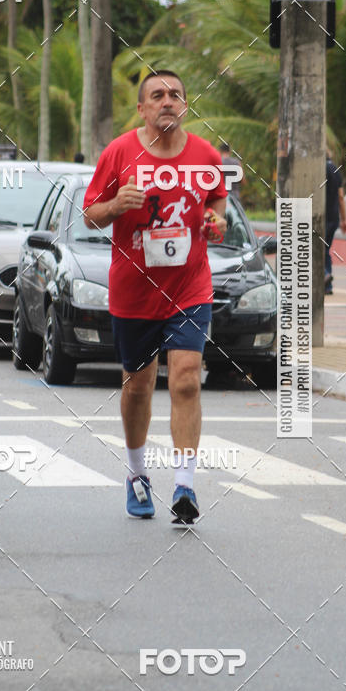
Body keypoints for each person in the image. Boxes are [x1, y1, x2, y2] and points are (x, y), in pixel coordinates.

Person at [83, 70, 227, 524]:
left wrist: (215, 222)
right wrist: (114, 206)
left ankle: (185, 484)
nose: (168, 101)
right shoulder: (119, 153)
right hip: (134, 292)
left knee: (185, 378)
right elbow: (90, 215)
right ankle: (137, 473)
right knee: (138, 387)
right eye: (157, 95)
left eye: (176, 95)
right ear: (142, 108)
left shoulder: (206, 155)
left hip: (189, 287)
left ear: (185, 105)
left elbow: (216, 203)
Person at [325, 154, 346, 294]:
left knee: (314, 249)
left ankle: (325, 274)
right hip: (334, 218)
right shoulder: (336, 170)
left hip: (321, 217)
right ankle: (327, 286)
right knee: (325, 250)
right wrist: (344, 219)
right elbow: (341, 197)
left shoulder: (318, 169)